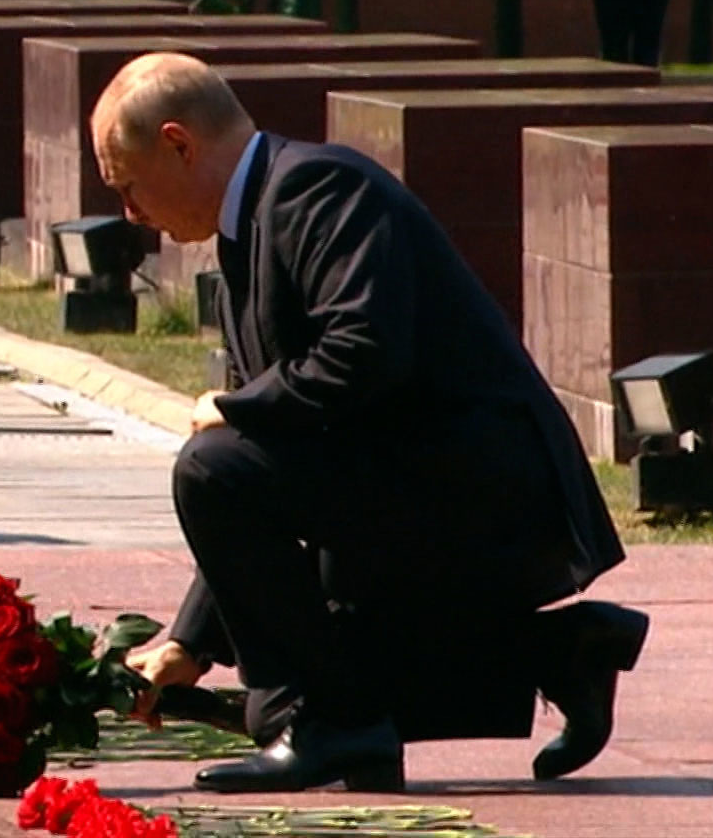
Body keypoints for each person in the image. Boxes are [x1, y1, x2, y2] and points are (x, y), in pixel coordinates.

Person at [96, 52, 650, 794]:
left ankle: (331, 728)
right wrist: (189, 643)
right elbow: (267, 455)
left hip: (483, 493)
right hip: (402, 494)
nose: (130, 213)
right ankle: (556, 653)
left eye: (128, 186)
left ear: (179, 144)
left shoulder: (318, 188)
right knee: (320, 670)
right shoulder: (251, 226)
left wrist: (233, 407)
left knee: (215, 478)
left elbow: (364, 354)